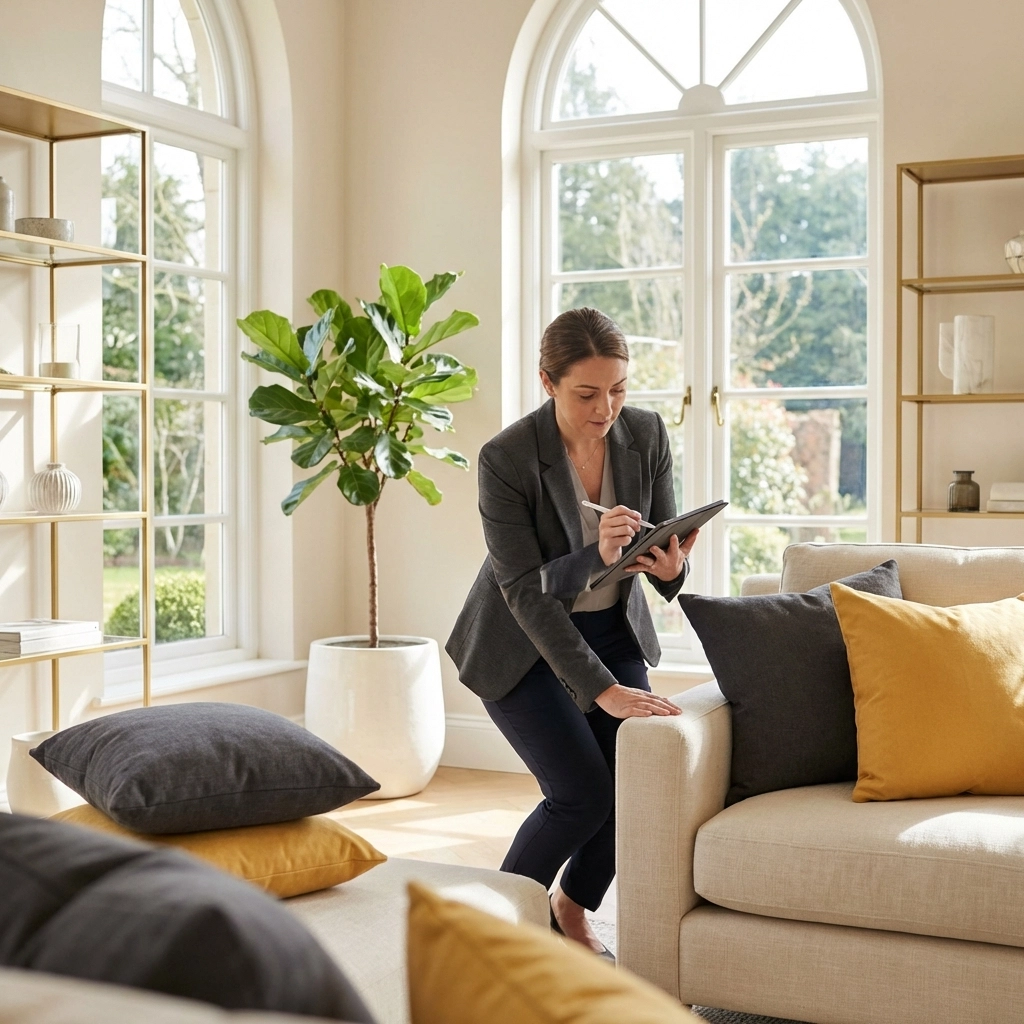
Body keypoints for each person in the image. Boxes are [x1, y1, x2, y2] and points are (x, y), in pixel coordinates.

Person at [445, 306, 698, 959]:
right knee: (581, 796)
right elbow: (523, 589)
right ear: (547, 382)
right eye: (586, 393)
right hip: (520, 643)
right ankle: (495, 933)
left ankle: (570, 907)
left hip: (610, 630)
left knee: (635, 785)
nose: (605, 409)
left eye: (618, 389)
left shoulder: (646, 433)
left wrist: (672, 567)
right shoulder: (507, 458)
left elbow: (664, 542)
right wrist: (602, 688)